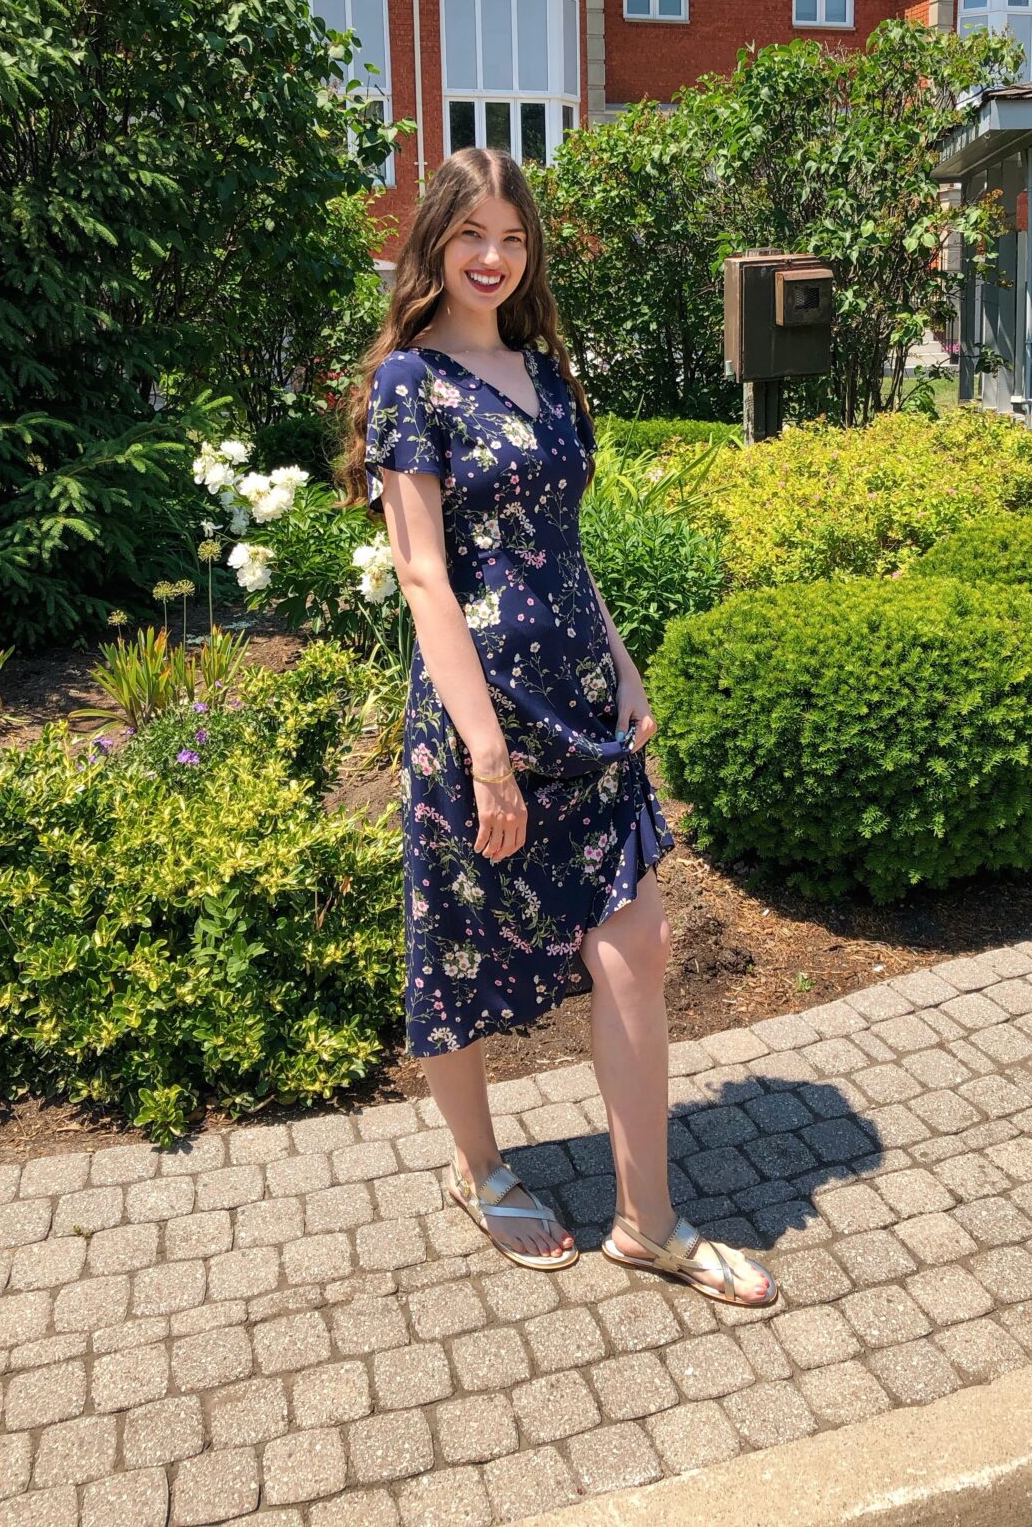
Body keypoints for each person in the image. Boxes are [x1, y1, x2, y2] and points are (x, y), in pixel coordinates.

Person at [339, 147, 777, 1308]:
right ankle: (481, 1171)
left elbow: (561, 551)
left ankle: (649, 1222)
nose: (493, 256)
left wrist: (625, 668)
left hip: (584, 709)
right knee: (459, 948)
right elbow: (426, 577)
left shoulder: (544, 370)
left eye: (515, 237)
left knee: (638, 950)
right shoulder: (410, 386)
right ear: (435, 239)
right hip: (481, 721)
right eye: (472, 232)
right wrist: (484, 751)